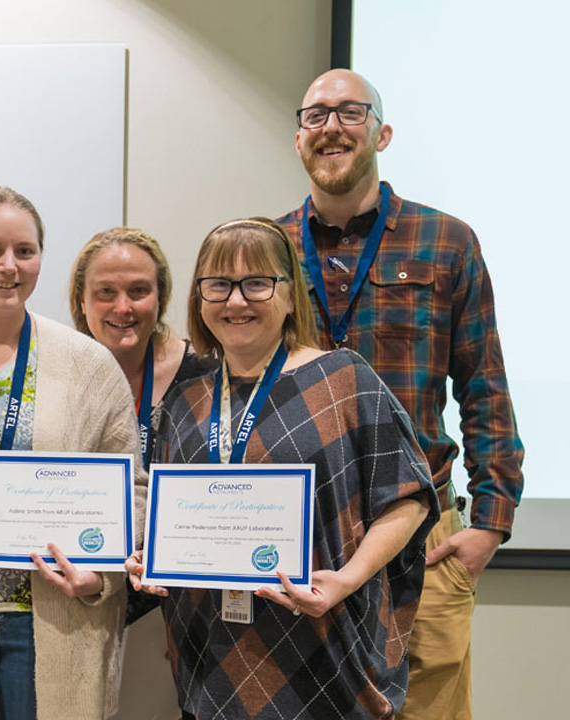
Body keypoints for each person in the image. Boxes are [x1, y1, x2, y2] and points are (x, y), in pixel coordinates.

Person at [277, 69, 524, 720]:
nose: (330, 126)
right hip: (301, 541)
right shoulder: (267, 250)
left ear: (382, 133)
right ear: (298, 140)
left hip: (421, 535)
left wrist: (491, 525)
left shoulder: (447, 243)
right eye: (314, 116)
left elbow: (484, 386)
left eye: (350, 113)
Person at [127, 218, 438, 719]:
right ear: (199, 298)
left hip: (322, 652)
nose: (235, 301)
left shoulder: (343, 379)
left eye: (257, 283)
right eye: (218, 285)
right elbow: (173, 516)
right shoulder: (186, 399)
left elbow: (408, 499)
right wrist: (151, 557)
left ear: (290, 296)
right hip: (210, 659)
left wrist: (348, 579)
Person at [0, 185, 145, 720]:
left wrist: (103, 575)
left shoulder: (89, 366)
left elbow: (131, 488)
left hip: (53, 618)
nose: (8, 267)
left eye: (24, 251)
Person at [69, 226, 215, 624]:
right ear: (81, 301)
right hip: (87, 594)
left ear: (161, 298)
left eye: (138, 291)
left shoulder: (206, 373)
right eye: (105, 293)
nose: (123, 307)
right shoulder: (57, 376)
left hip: (184, 598)